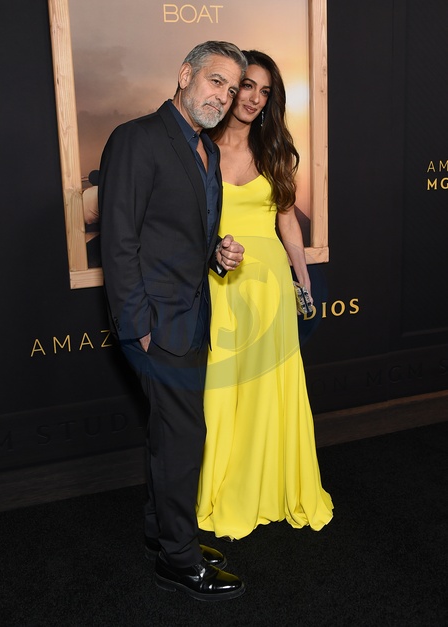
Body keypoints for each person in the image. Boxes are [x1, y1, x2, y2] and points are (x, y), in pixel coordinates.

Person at [99, 41, 247, 601]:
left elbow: (179, 235)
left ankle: (161, 534)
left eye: (231, 89)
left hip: (191, 318)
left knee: (169, 436)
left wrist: (217, 255)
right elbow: (119, 240)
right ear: (185, 75)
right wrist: (139, 327)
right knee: (184, 439)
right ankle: (179, 562)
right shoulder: (136, 138)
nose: (223, 96)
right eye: (215, 81)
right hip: (157, 325)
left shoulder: (205, 150)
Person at [196, 50, 333, 540]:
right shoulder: (200, 148)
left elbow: (286, 218)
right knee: (223, 389)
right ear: (230, 89)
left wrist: (301, 272)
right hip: (221, 283)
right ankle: (226, 488)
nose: (254, 98)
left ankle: (272, 485)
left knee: (270, 388)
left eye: (265, 91)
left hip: (270, 286)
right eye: (247, 86)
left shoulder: (273, 150)